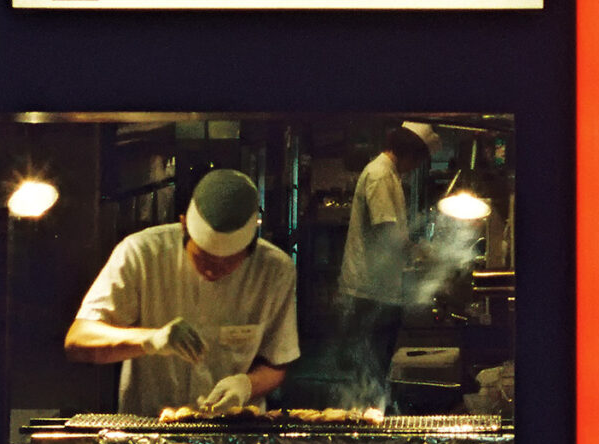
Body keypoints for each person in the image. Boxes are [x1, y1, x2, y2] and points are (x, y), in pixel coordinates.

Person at [64, 168, 297, 414]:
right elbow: (78, 341)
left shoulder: (274, 270)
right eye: (204, 258)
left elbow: (277, 362)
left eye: (228, 263)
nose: (212, 272)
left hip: (234, 433)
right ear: (184, 226)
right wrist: (150, 340)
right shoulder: (141, 253)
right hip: (149, 432)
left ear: (250, 249)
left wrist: (245, 385)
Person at [336, 120, 432, 396]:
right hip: (370, 290)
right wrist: (422, 253)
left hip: (379, 288)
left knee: (375, 366)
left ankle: (371, 414)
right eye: (417, 161)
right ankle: (364, 426)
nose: (415, 168)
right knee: (370, 368)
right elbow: (387, 233)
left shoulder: (388, 174)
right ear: (410, 154)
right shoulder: (380, 175)